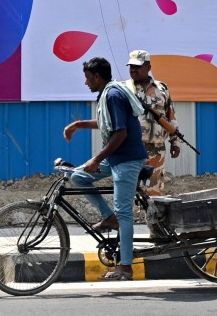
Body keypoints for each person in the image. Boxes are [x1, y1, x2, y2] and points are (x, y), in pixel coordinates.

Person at [63, 56, 147, 281]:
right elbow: (107, 122)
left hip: (127, 160)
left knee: (125, 213)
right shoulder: (107, 94)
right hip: (115, 157)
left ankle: (126, 268)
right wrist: (79, 125)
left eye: (88, 78)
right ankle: (109, 217)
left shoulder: (113, 95)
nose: (86, 83)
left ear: (97, 77)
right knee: (79, 177)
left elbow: (121, 133)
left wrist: (97, 159)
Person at [126, 50, 181, 196]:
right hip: (132, 148)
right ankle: (132, 219)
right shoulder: (124, 89)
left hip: (157, 150)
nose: (133, 69)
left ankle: (152, 218)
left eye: (138, 66)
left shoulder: (162, 89)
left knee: (154, 190)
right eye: (131, 66)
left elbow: (170, 116)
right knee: (131, 190)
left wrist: (175, 142)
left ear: (148, 67)